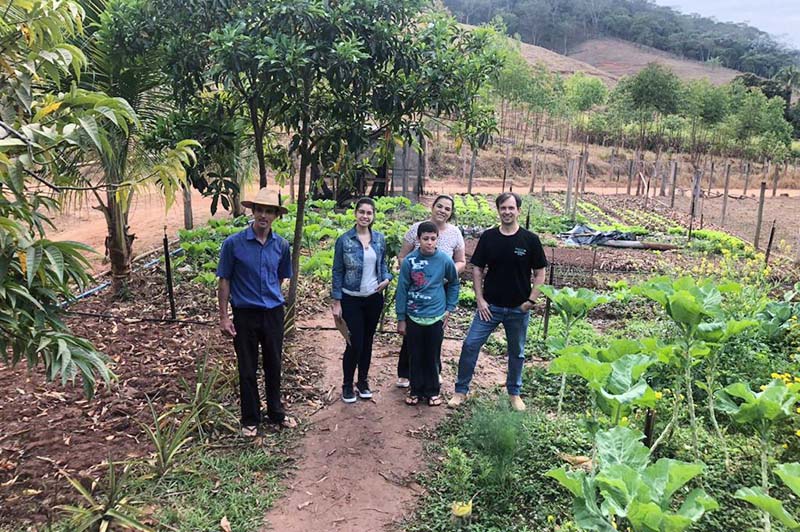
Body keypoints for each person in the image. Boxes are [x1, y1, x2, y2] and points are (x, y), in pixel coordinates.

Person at [448, 192, 547, 412]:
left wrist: (531, 301)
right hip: (489, 307)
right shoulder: (489, 237)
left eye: (511, 208)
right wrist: (480, 299)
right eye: (503, 208)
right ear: (498, 210)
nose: (507, 212)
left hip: (518, 309)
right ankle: (460, 391)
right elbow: (477, 269)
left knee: (517, 352)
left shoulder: (530, 240)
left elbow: (540, 273)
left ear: (518, 211)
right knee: (470, 344)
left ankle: (514, 393)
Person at [217, 187, 297, 437]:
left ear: (276, 215)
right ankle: (250, 418)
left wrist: (269, 298)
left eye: (269, 211)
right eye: (259, 210)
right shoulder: (233, 244)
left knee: (274, 364)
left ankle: (276, 412)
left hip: (273, 313)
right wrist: (223, 316)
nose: (263, 215)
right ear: (252, 212)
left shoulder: (281, 246)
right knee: (247, 367)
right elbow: (224, 280)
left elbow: (281, 277)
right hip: (245, 314)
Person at [395, 195, 466, 388]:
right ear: (432, 207)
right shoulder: (416, 229)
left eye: (447, 208)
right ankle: (405, 371)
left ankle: (434, 371)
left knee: (435, 333)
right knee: (411, 332)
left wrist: (444, 274)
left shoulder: (454, 233)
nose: (443, 211)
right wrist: (412, 276)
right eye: (439, 206)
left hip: (439, 289)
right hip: (416, 289)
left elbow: (461, 261)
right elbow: (403, 256)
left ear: (451, 213)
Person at [331, 197, 392, 403]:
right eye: (362, 212)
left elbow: (383, 264)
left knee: (367, 342)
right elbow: (337, 271)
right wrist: (337, 301)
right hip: (351, 299)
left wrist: (387, 279)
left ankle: (363, 381)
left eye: (369, 213)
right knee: (354, 342)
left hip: (374, 298)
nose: (365, 216)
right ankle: (347, 384)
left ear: (373, 216)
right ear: (355, 214)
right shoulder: (344, 240)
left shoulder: (379, 239)